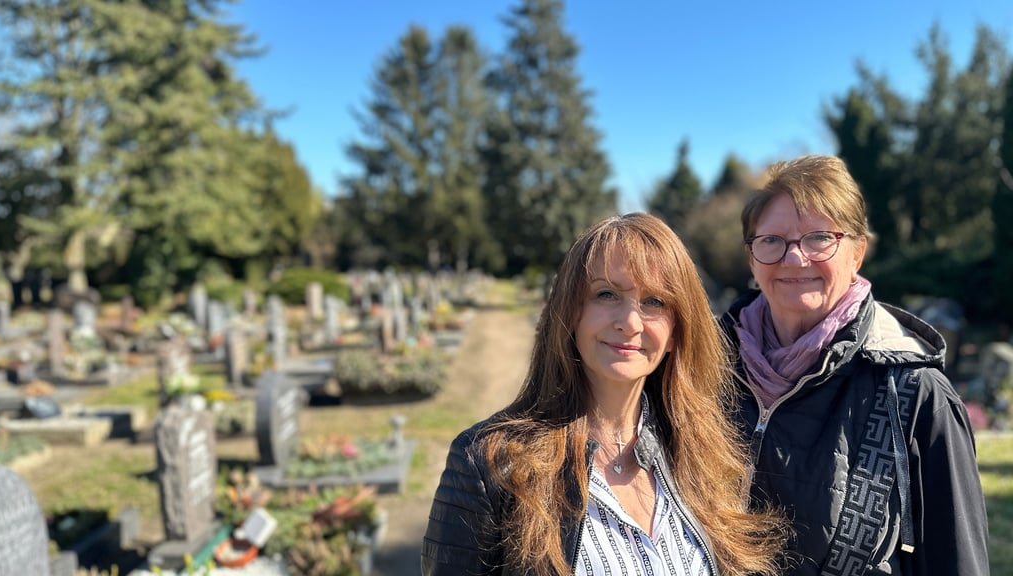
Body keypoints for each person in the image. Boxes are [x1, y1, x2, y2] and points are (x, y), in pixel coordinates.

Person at [423, 212, 787, 576]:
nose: (629, 322)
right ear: (571, 313)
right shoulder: (489, 465)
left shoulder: (707, 454)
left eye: (654, 301)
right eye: (607, 294)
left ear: (676, 331)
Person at [719, 154, 989, 575]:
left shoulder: (916, 394)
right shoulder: (702, 371)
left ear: (857, 254)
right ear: (752, 259)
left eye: (818, 238)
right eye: (772, 241)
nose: (795, 259)